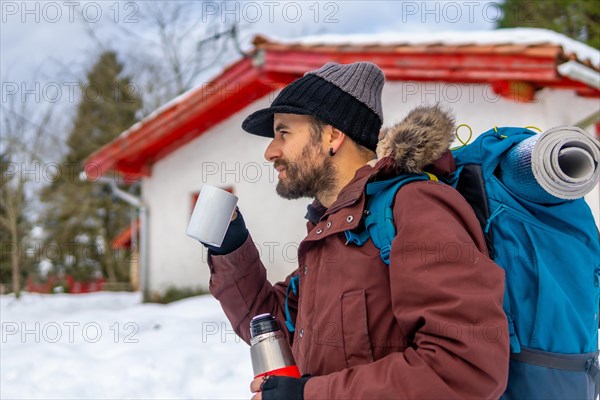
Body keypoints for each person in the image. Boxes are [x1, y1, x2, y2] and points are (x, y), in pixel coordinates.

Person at [203, 62, 509, 399]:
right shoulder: (332, 233)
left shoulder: (414, 207)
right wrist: (230, 248)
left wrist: (310, 395)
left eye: (284, 133)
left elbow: (464, 367)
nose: (270, 151)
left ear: (333, 136)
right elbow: (269, 325)